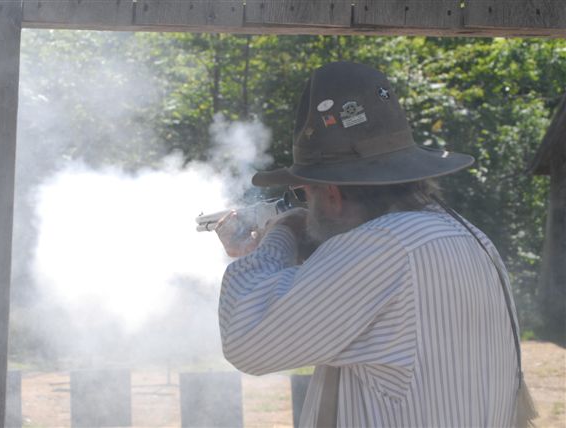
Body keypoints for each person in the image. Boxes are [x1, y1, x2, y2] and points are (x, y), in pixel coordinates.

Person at [215, 62, 527, 427]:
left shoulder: (381, 248)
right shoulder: (467, 237)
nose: (303, 200)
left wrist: (282, 232)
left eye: (305, 190)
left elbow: (246, 339)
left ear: (331, 194)